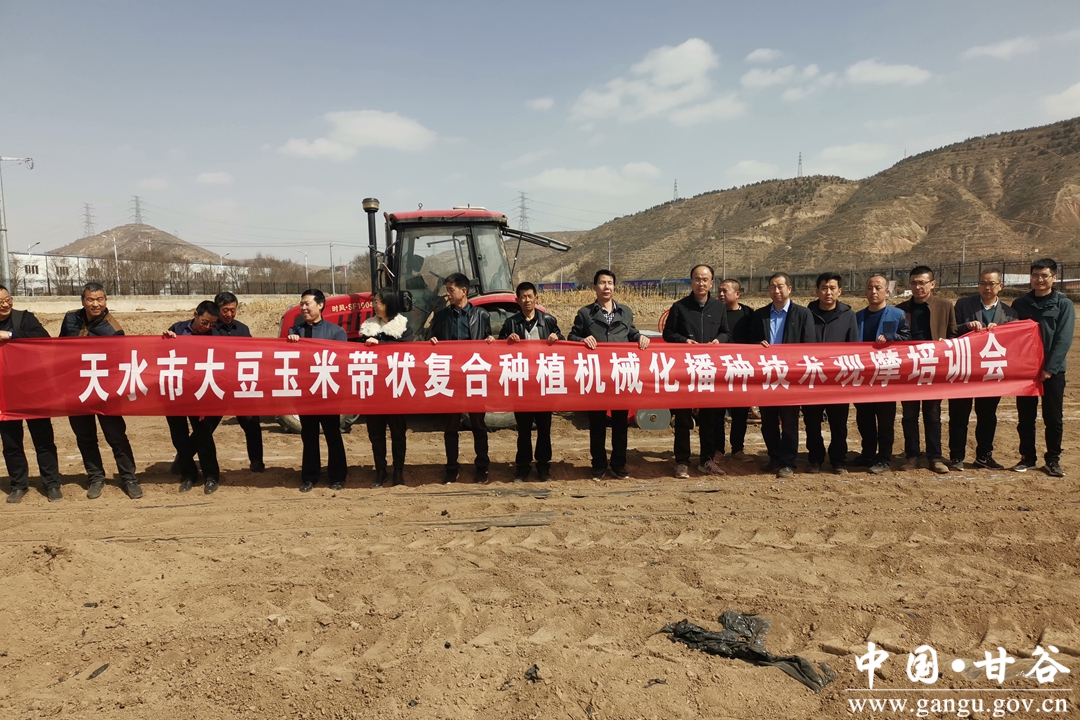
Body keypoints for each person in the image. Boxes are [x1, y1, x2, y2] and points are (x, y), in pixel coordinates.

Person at [59, 281, 143, 499]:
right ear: (83, 301)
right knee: (85, 437)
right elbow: (60, 348)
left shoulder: (114, 330)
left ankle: (129, 478)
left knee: (116, 436)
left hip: (105, 391)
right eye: (90, 299)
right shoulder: (70, 319)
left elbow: (119, 364)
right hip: (76, 390)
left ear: (105, 301)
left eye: (100, 299)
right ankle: (95, 477)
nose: (95, 304)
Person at [569, 269, 651, 480]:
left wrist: (640, 337)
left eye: (610, 283)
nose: (606, 287)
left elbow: (631, 332)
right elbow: (572, 336)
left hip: (620, 376)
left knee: (620, 423)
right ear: (595, 287)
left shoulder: (625, 312)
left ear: (614, 287)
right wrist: (582, 340)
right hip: (596, 376)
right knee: (597, 424)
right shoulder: (585, 314)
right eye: (602, 283)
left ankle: (618, 465)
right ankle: (598, 465)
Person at [662, 265, 731, 478]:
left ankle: (706, 461)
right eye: (697, 279)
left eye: (705, 279)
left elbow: (726, 332)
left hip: (709, 369)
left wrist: (719, 340)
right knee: (683, 417)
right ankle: (682, 461)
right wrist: (684, 341)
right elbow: (668, 334)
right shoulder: (680, 307)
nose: (701, 283)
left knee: (709, 418)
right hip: (684, 370)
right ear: (691, 282)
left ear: (712, 283)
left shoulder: (718, 307)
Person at [947, 270, 1018, 471]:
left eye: (991, 283)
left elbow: (1014, 341)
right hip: (965, 369)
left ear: (1000, 286)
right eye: (983, 283)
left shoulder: (1010, 313)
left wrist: (1001, 331)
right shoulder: (963, 305)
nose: (987, 287)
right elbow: (951, 330)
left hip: (991, 371)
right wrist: (966, 326)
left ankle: (984, 456)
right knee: (959, 414)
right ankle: (956, 456)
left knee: (987, 415)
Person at [429, 273, 495, 483]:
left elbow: (490, 343)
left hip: (474, 377)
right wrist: (432, 341)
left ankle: (482, 467)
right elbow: (429, 342)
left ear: (463, 291)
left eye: (451, 290)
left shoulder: (481, 315)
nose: (447, 294)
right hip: (450, 378)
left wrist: (491, 340)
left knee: (478, 424)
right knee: (451, 426)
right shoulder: (441, 317)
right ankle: (451, 467)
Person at [1012, 258, 1075, 477]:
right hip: (1026, 372)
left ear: (1054, 278)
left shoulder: (1063, 304)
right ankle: (1027, 458)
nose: (1039, 280)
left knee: (1053, 418)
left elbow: (1063, 339)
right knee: (1025, 418)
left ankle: (1053, 460)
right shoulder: (1020, 304)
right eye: (1035, 275)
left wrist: (1049, 368)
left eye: (1044, 276)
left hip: (1052, 372)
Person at [0, 285, 63, 503]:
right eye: (0, 302)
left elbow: (42, 338)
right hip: (5, 394)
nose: (6, 304)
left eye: (8, 299)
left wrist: (9, 335)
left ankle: (52, 483)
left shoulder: (24, 318)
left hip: (33, 389)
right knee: (11, 442)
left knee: (43, 439)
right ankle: (18, 484)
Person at [749, 272, 814, 479]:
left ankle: (788, 461)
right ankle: (774, 457)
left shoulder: (803, 314)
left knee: (789, 421)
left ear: (789, 289)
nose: (776, 290)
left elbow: (809, 345)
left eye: (780, 286)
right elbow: (750, 343)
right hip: (767, 376)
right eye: (772, 286)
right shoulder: (760, 315)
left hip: (790, 377)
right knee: (768, 421)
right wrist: (757, 345)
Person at [499, 281, 564, 482]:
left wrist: (556, 338)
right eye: (523, 297)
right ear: (517, 300)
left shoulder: (549, 321)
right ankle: (523, 467)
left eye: (530, 296)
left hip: (543, 383)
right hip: (522, 384)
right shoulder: (510, 323)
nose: (527, 300)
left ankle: (544, 467)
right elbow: (498, 349)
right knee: (524, 429)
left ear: (537, 298)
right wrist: (507, 341)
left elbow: (564, 343)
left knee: (544, 428)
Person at [287, 288, 349, 491]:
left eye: (307, 303)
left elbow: (342, 362)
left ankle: (337, 477)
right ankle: (309, 477)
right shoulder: (295, 332)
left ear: (320, 305)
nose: (303, 308)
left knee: (333, 434)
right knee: (309, 435)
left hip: (328, 391)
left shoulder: (336, 332)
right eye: (301, 304)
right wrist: (291, 344)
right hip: (306, 392)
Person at [897, 266, 957, 474]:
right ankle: (912, 455)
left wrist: (945, 343)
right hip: (909, 369)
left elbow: (953, 335)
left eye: (922, 283)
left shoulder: (945, 306)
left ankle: (934, 457)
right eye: (914, 283)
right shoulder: (901, 309)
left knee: (932, 414)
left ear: (932, 284)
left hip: (934, 368)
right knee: (909, 415)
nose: (917, 287)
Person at [163, 300, 224, 494]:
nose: (207, 327)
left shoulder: (216, 336)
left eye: (212, 324)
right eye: (205, 322)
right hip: (176, 391)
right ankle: (188, 474)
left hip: (201, 392)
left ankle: (211, 476)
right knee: (179, 436)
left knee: (203, 435)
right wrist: (166, 339)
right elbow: (162, 353)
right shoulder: (178, 329)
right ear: (195, 314)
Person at [854, 275, 911, 474]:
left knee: (885, 420)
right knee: (864, 419)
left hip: (886, 378)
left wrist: (891, 337)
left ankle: (884, 458)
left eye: (878, 288)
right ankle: (868, 454)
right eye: (870, 288)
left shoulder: (897, 315)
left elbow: (908, 340)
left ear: (887, 292)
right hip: (863, 378)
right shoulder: (857, 317)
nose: (873, 292)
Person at [804, 272, 859, 475]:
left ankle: (838, 461)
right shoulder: (806, 313)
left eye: (832, 288)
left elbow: (854, 346)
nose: (828, 292)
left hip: (838, 380)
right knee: (812, 423)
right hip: (812, 378)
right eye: (824, 288)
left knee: (838, 423)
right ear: (817, 291)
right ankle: (815, 459)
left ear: (839, 291)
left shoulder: (848, 315)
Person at [359, 288, 414, 488]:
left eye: (378, 302)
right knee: (375, 432)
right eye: (374, 301)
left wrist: (381, 344)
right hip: (373, 388)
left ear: (389, 303)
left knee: (398, 432)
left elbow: (407, 353)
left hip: (396, 388)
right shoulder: (367, 327)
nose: (374, 305)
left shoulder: (404, 328)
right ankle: (380, 470)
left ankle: (398, 471)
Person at [212, 291, 264, 473]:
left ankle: (257, 462)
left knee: (252, 424)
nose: (229, 314)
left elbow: (252, 354)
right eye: (225, 310)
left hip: (240, 386)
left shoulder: (242, 329)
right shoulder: (209, 329)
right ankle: (183, 458)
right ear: (217, 309)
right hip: (216, 386)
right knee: (206, 427)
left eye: (233, 310)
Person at [717, 278, 755, 463]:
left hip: (741, 370)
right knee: (717, 413)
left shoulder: (748, 314)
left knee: (740, 413)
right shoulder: (714, 313)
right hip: (718, 370)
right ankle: (717, 449)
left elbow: (755, 338)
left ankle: (737, 449)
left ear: (737, 294)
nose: (720, 294)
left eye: (725, 291)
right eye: (719, 291)